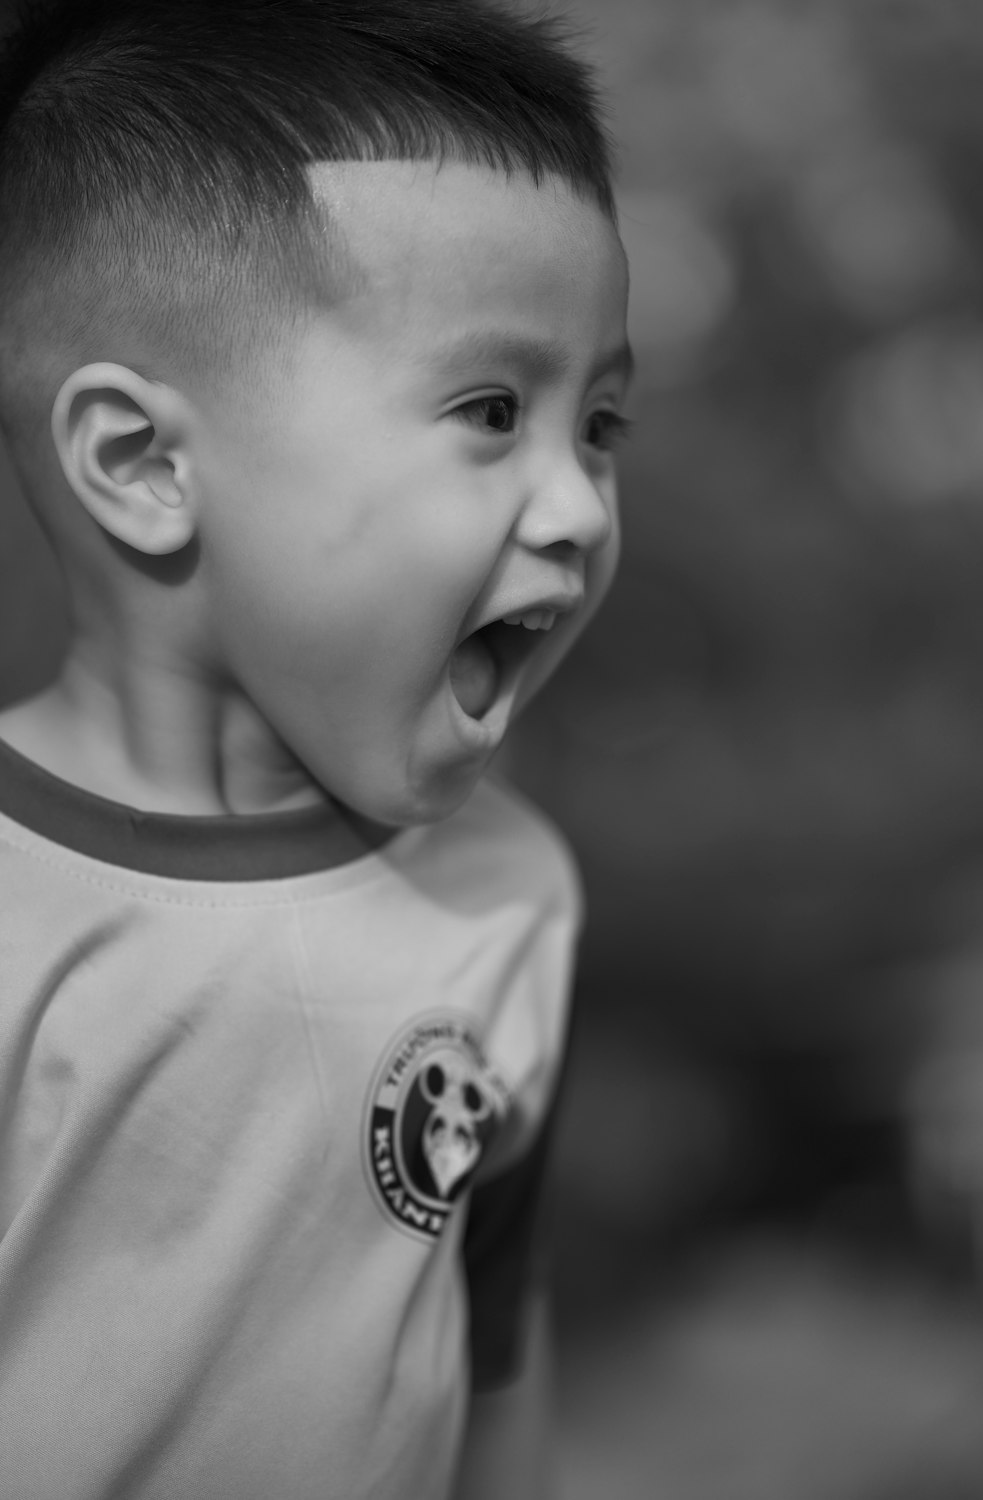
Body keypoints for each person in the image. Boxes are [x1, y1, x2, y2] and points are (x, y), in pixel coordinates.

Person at [0, 0, 630, 1494]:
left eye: (601, 423)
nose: (581, 508)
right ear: (146, 466)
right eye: (492, 409)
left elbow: (492, 1349)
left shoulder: (512, 894)